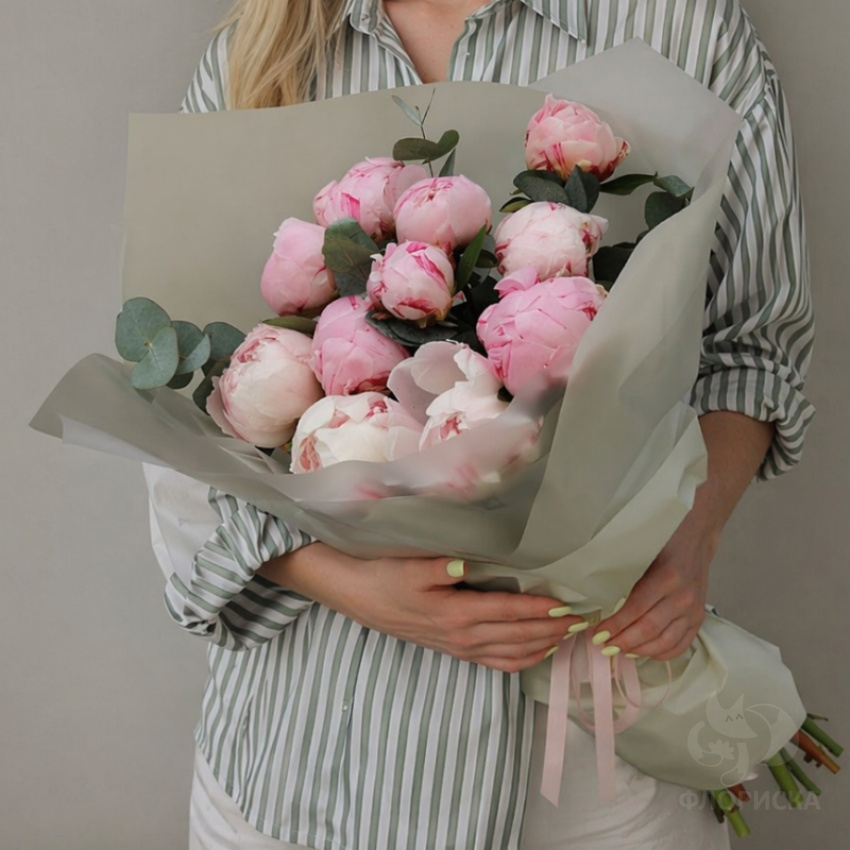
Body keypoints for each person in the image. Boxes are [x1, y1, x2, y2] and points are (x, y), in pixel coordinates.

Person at [146, 0, 813, 847]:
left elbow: (751, 348)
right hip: (296, 761)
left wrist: (690, 539)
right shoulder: (258, 52)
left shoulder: (679, 25)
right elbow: (183, 415)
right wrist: (348, 585)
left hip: (582, 760)